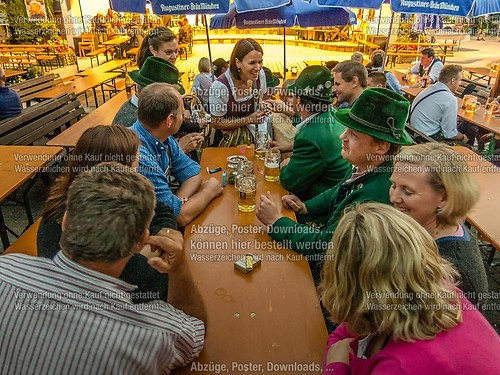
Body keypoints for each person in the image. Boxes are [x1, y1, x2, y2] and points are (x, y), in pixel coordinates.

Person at [0, 163, 207, 373]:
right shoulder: (153, 333)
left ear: (64, 222)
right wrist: (180, 269)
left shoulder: (5, 269)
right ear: (141, 241)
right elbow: (196, 333)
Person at [320, 203, 500, 374]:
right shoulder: (437, 289)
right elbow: (344, 331)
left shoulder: (400, 366)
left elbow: (341, 343)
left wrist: (337, 366)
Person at [256, 88, 413, 280]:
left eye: (353, 134)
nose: (342, 136)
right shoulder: (365, 164)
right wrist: (306, 207)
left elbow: (327, 246)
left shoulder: (378, 194)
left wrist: (276, 222)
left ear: (381, 147)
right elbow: (338, 189)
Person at [37, 125, 176, 303]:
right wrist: (157, 246)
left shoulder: (69, 194)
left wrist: (148, 245)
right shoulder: (81, 224)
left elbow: (163, 209)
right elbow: (154, 279)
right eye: (135, 165)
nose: (140, 170)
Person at [390, 143, 488, 306]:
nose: (394, 198)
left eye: (407, 191)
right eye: (393, 185)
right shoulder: (426, 228)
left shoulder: (454, 274)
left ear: (443, 198)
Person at [131, 83, 223, 227]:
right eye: (181, 114)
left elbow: (193, 172)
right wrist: (209, 192)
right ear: (169, 120)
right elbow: (180, 218)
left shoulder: (163, 137)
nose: (184, 118)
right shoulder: (139, 155)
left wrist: (178, 202)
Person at [277, 66, 350, 203]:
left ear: (298, 99)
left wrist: (285, 164)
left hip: (319, 206)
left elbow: (290, 182)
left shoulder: (310, 138)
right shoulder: (331, 115)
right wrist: (283, 148)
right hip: (337, 195)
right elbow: (305, 120)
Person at [112, 56, 204, 156]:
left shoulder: (151, 109)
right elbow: (142, 167)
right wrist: (181, 149)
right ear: (148, 91)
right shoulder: (130, 121)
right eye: (170, 96)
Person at [209, 38, 268, 147]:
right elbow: (216, 122)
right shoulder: (220, 87)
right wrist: (248, 119)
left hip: (255, 136)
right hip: (229, 143)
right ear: (237, 63)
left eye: (260, 62)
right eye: (252, 63)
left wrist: (263, 107)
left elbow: (260, 99)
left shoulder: (260, 76)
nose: (258, 67)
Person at [409, 64, 469, 145]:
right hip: (426, 140)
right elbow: (449, 134)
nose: (460, 83)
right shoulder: (450, 99)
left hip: (413, 133)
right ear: (453, 81)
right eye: (459, 80)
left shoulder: (427, 89)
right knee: (467, 147)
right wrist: (463, 137)